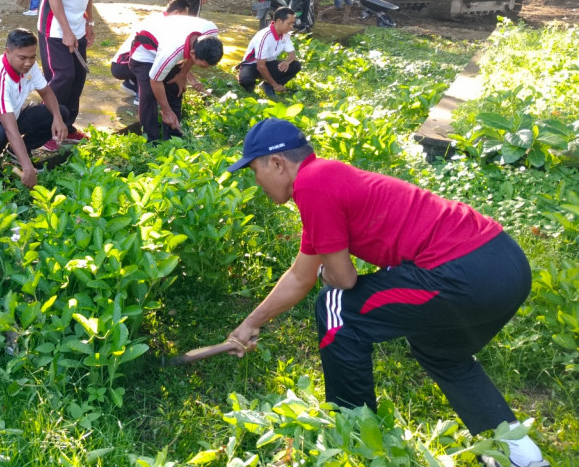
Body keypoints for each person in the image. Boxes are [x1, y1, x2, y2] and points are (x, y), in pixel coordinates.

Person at [224, 118, 549, 467]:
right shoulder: (327, 180)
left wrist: (330, 274)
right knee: (440, 351)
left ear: (277, 163)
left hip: (462, 273)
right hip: (505, 264)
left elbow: (343, 281)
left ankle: (353, 437)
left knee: (336, 306)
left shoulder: (312, 185)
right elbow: (300, 276)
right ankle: (520, 452)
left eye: (254, 170)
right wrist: (250, 323)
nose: (256, 181)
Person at [37, 0, 122, 150]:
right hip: (54, 28)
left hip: (77, 26)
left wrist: (89, 23)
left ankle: (67, 127)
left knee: (78, 77)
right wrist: (66, 31)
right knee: (61, 78)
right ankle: (44, 132)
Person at [0, 29, 69, 186]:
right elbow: (9, 129)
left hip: (12, 117)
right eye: (23, 58)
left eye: (32, 57)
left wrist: (58, 119)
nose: (28, 63)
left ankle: (16, 152)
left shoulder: (29, 66)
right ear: (8, 52)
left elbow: (46, 92)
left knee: (60, 112)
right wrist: (28, 168)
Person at [128, 13, 223, 142]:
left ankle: (174, 138)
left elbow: (190, 59)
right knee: (149, 94)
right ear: (192, 53)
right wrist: (166, 111)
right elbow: (155, 81)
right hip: (144, 51)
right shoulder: (171, 52)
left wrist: (183, 74)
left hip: (167, 36)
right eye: (202, 65)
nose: (204, 68)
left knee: (175, 88)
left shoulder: (211, 33)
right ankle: (150, 141)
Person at [110, 0, 191, 105]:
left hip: (126, 62)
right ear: (176, 13)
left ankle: (132, 83)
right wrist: (185, 75)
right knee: (157, 66)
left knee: (161, 64)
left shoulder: (162, 18)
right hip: (122, 64)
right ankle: (142, 95)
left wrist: (187, 75)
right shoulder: (162, 24)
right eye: (184, 17)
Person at [238, 6, 300, 96]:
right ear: (279, 21)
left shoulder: (285, 35)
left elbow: (292, 54)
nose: (291, 27)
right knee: (246, 81)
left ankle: (267, 85)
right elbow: (260, 66)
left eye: (292, 24)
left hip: (268, 63)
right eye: (289, 23)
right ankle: (269, 85)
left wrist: (287, 62)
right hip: (252, 64)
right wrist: (275, 85)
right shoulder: (265, 36)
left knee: (295, 65)